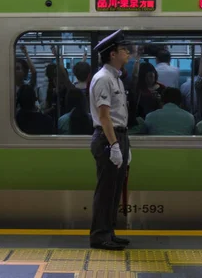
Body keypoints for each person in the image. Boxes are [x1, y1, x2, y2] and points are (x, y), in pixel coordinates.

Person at [88, 29, 132, 251]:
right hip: (108, 139)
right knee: (105, 190)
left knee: (114, 190)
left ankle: (109, 232)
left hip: (117, 137)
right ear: (112, 54)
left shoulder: (115, 78)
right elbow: (104, 117)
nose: (128, 53)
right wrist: (115, 145)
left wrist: (124, 145)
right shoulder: (103, 79)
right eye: (124, 50)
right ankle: (99, 236)